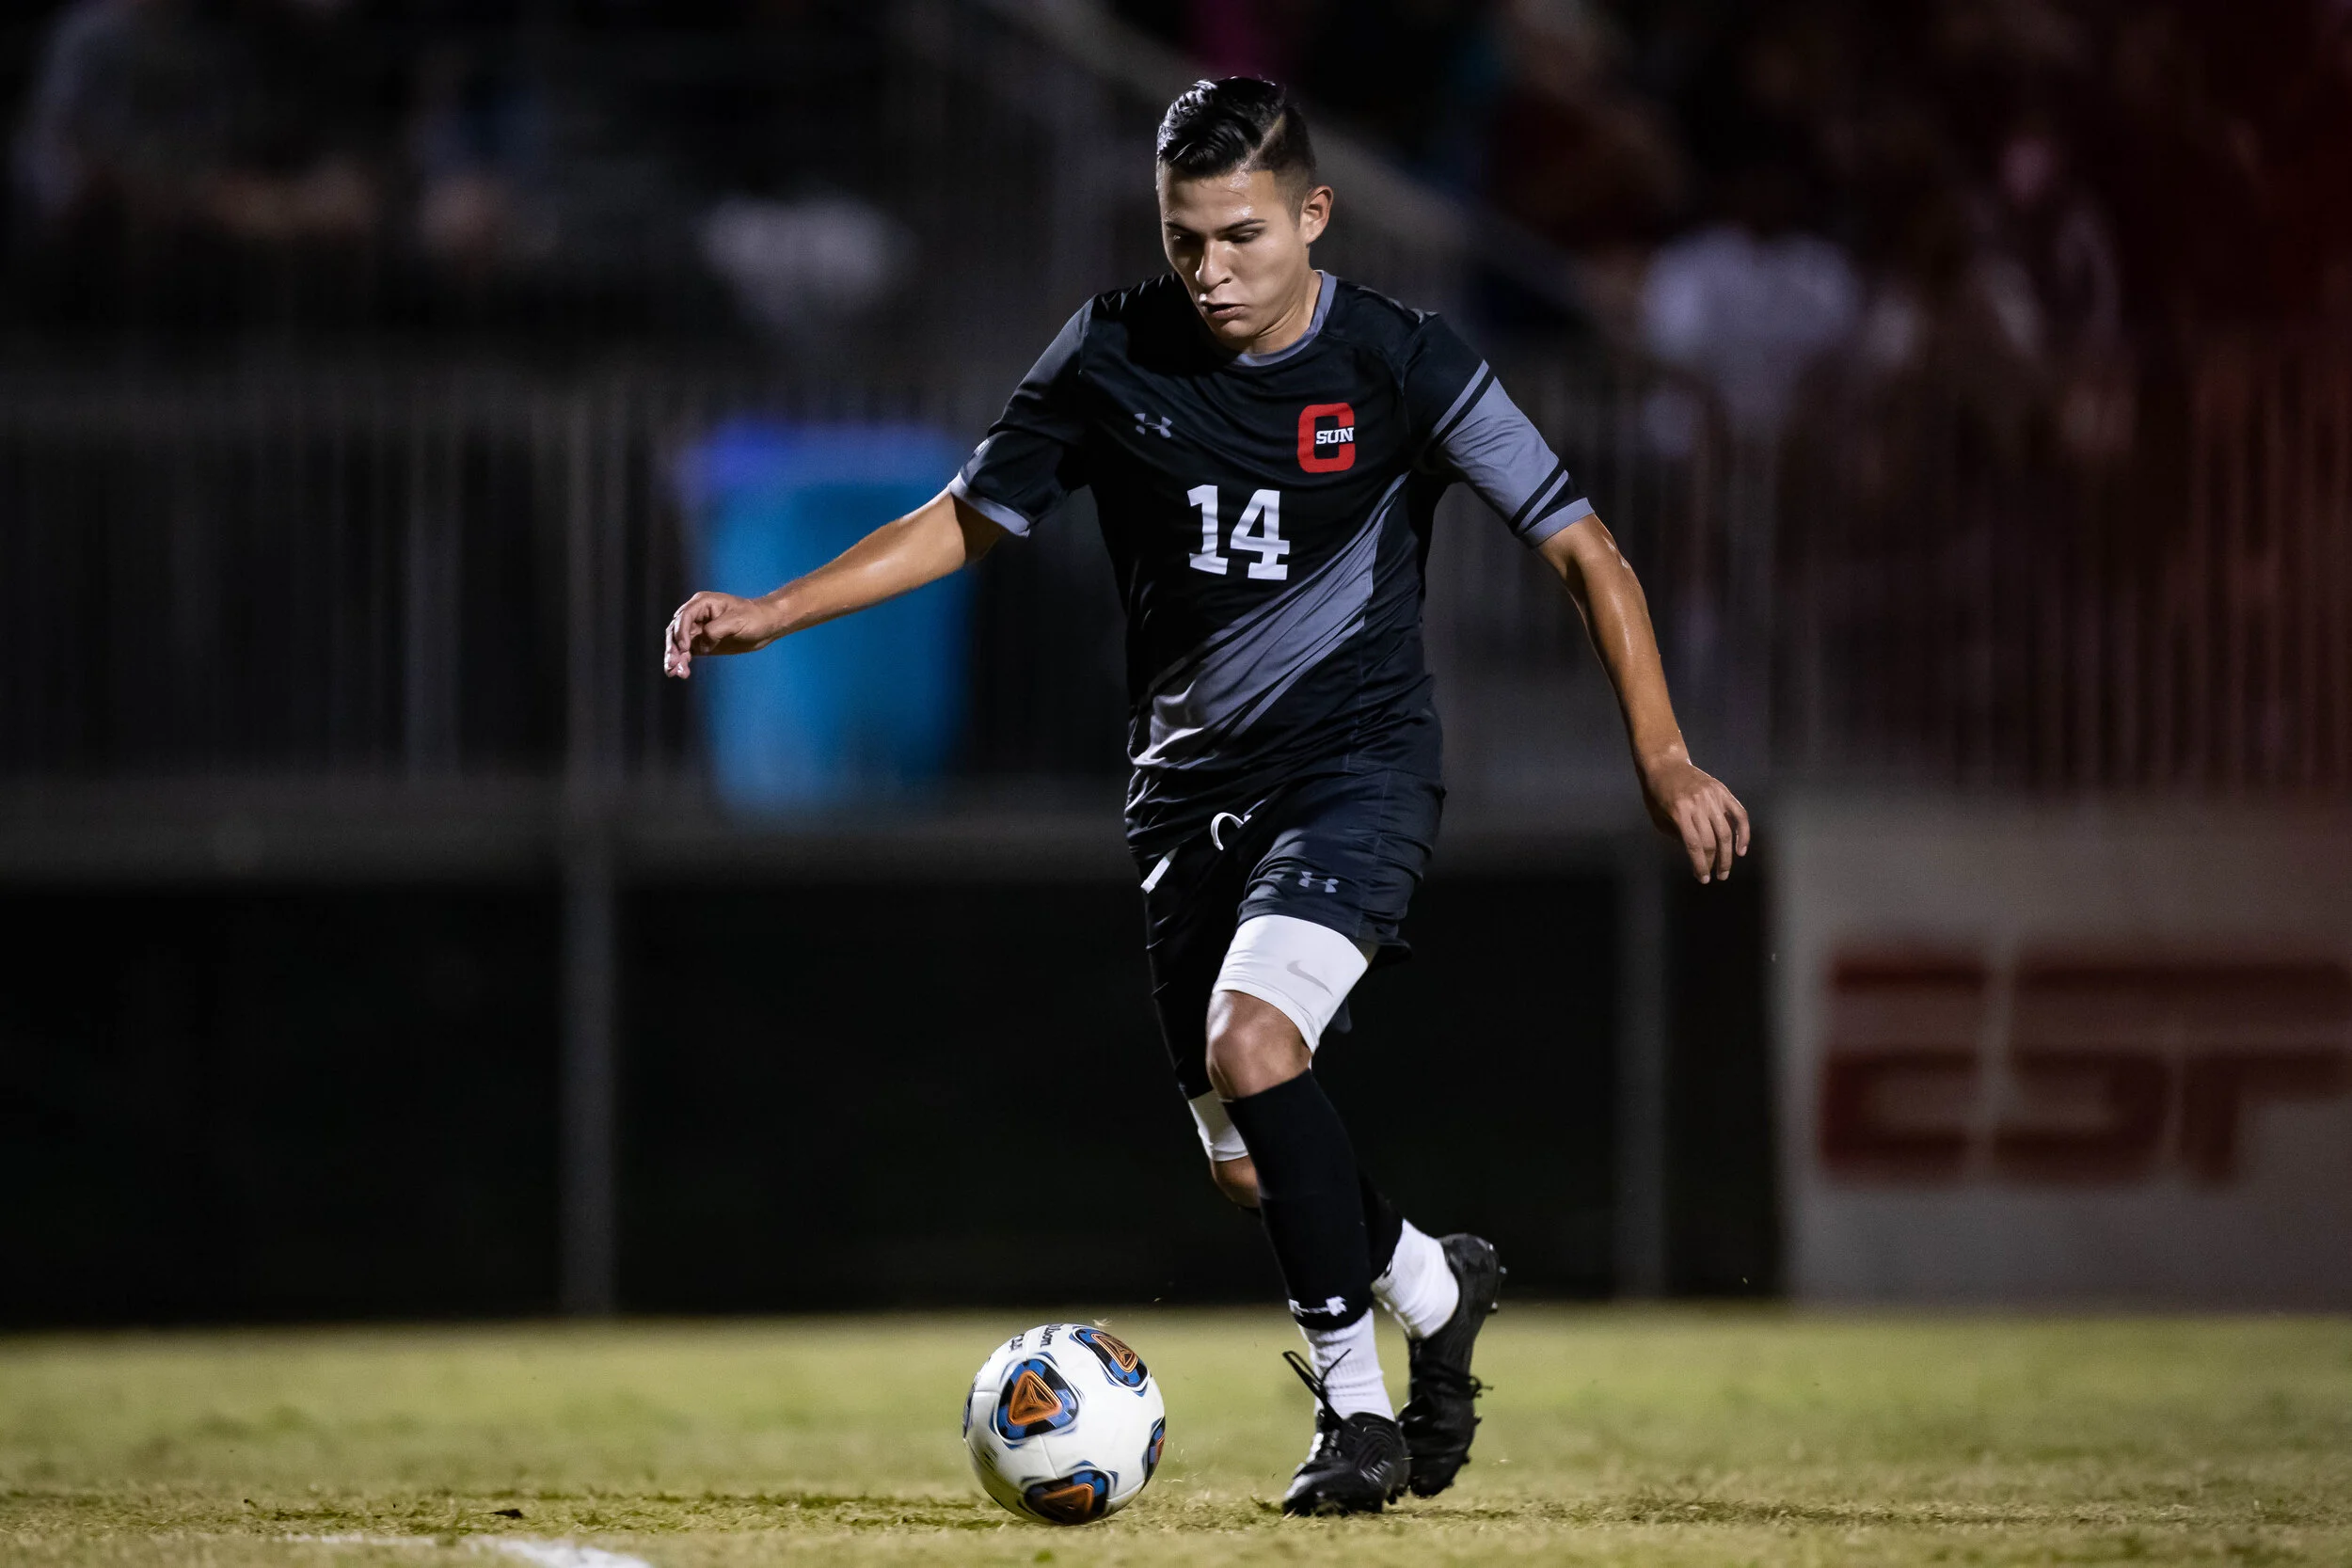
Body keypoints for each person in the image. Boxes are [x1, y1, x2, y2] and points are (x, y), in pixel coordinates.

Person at [662, 76, 1749, 1515]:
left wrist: (1662, 754)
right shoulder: (1113, 351)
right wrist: (775, 609)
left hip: (1354, 769)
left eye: (1243, 235)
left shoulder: (1404, 362)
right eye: (1186, 240)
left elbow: (1582, 547)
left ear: (1314, 215)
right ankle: (1434, 1285)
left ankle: (1356, 1417)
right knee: (1250, 1160)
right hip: (1183, 800)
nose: (1214, 270)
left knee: (1253, 1040)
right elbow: (968, 519)